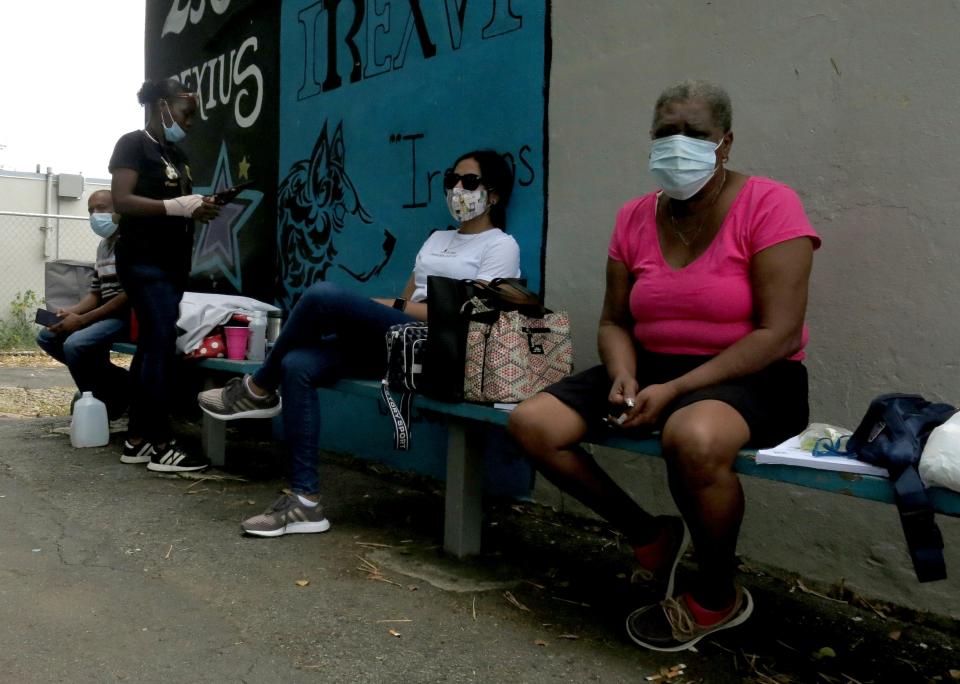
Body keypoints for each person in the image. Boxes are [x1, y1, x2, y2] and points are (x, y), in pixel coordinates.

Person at [507, 80, 820, 652]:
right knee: (534, 424)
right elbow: (614, 321)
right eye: (665, 133)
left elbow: (781, 333)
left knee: (693, 437)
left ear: (724, 143)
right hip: (653, 366)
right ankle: (649, 536)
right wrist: (624, 373)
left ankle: (718, 594)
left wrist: (675, 389)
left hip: (753, 376)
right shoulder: (634, 217)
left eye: (695, 133)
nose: (679, 145)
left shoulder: (771, 204)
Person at [198, 150, 520, 537]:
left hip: (443, 353)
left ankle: (257, 388)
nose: (457, 189)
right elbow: (408, 299)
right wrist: (379, 309)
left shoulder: (500, 246)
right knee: (298, 364)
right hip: (402, 343)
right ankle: (305, 503)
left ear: (495, 195)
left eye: (469, 182)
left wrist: (384, 306)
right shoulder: (437, 239)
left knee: (321, 296)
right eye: (452, 180)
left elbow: (466, 315)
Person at [109, 78, 220, 471]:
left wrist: (200, 208)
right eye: (186, 112)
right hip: (143, 260)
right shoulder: (132, 144)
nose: (190, 122)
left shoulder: (177, 154)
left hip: (173, 264)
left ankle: (137, 440)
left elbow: (178, 204)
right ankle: (160, 444)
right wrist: (177, 207)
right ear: (161, 105)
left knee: (153, 347)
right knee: (159, 344)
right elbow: (121, 200)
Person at [37, 190, 130, 421]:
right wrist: (71, 312)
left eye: (101, 208)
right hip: (107, 315)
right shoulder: (103, 246)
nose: (95, 215)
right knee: (46, 337)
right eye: (90, 211)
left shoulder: (131, 242)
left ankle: (102, 402)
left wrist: (82, 320)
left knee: (76, 345)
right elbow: (96, 294)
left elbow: (130, 295)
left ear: (118, 210)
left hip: (127, 316)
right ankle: (120, 384)